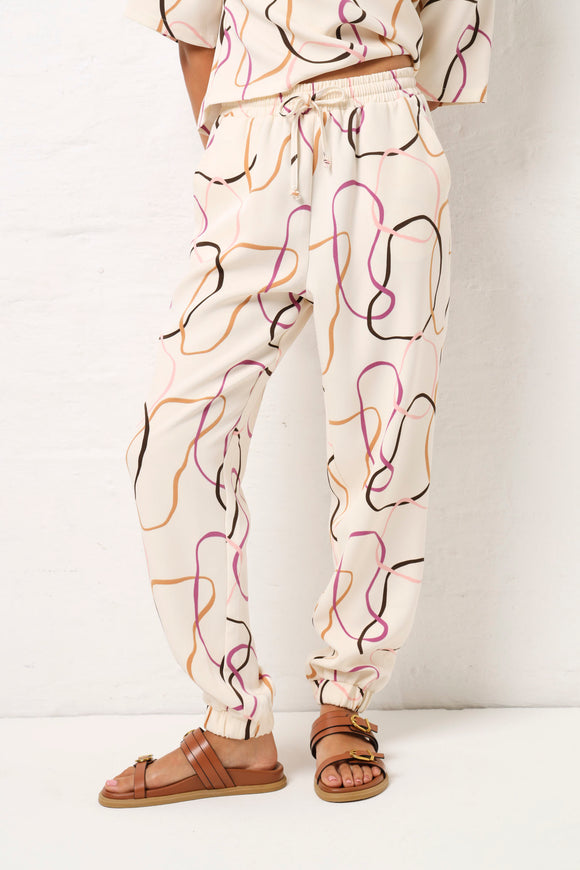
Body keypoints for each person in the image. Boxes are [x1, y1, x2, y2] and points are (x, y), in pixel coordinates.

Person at [99, 0, 495, 807]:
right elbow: (192, 26)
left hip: (384, 135)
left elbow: (447, 31)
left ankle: (346, 699)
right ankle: (235, 725)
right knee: (174, 435)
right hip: (252, 146)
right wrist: (236, 148)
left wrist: (374, 115)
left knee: (385, 437)